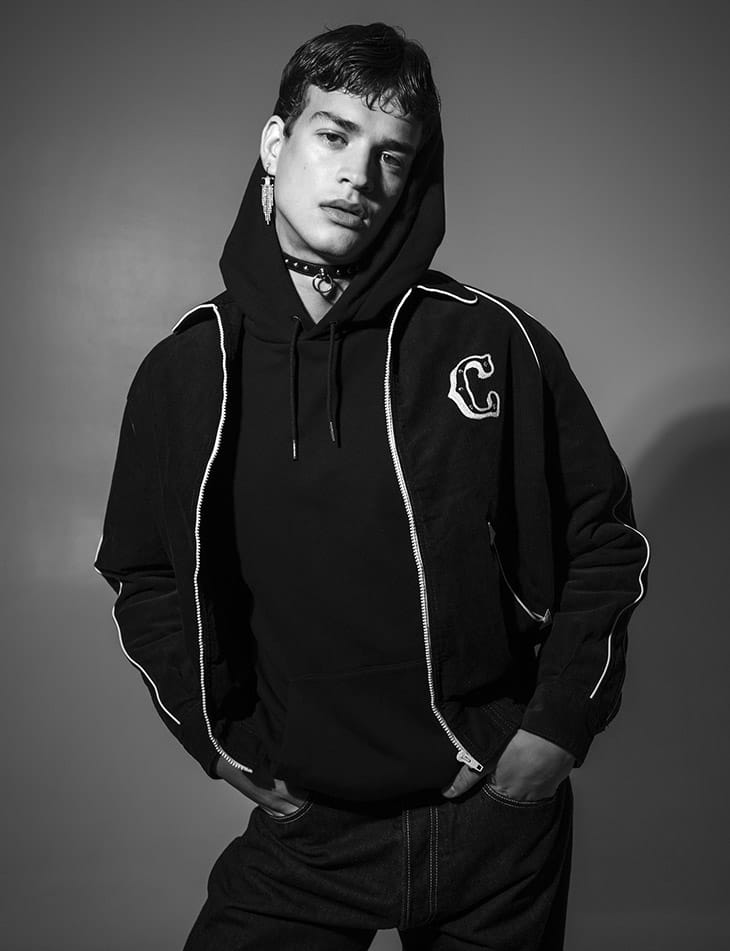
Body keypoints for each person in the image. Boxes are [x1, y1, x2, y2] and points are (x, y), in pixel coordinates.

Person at [94, 21, 651, 951]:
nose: (359, 175)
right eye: (334, 134)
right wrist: (216, 739)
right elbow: (144, 573)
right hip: (307, 836)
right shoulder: (188, 370)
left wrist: (556, 727)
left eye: (392, 154)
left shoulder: (489, 340)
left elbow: (604, 539)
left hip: (492, 825)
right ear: (276, 142)